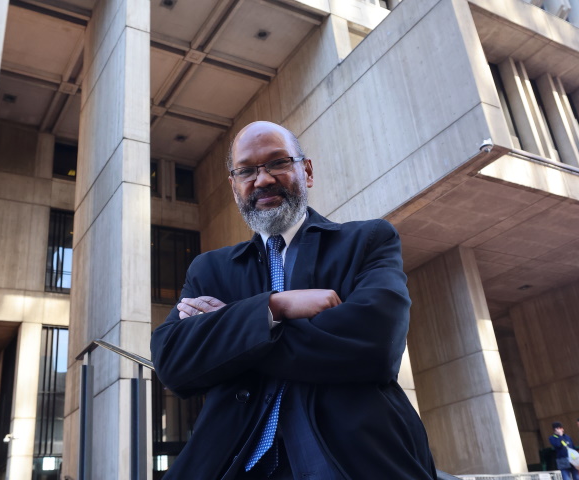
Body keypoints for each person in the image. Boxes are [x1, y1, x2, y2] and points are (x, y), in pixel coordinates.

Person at [150, 121, 438, 480]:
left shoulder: (367, 241)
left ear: (307, 171)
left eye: (277, 163)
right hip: (233, 465)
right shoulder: (210, 270)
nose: (263, 179)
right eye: (246, 171)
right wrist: (272, 309)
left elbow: (375, 346)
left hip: (352, 462)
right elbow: (172, 361)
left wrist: (232, 333)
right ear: (234, 186)